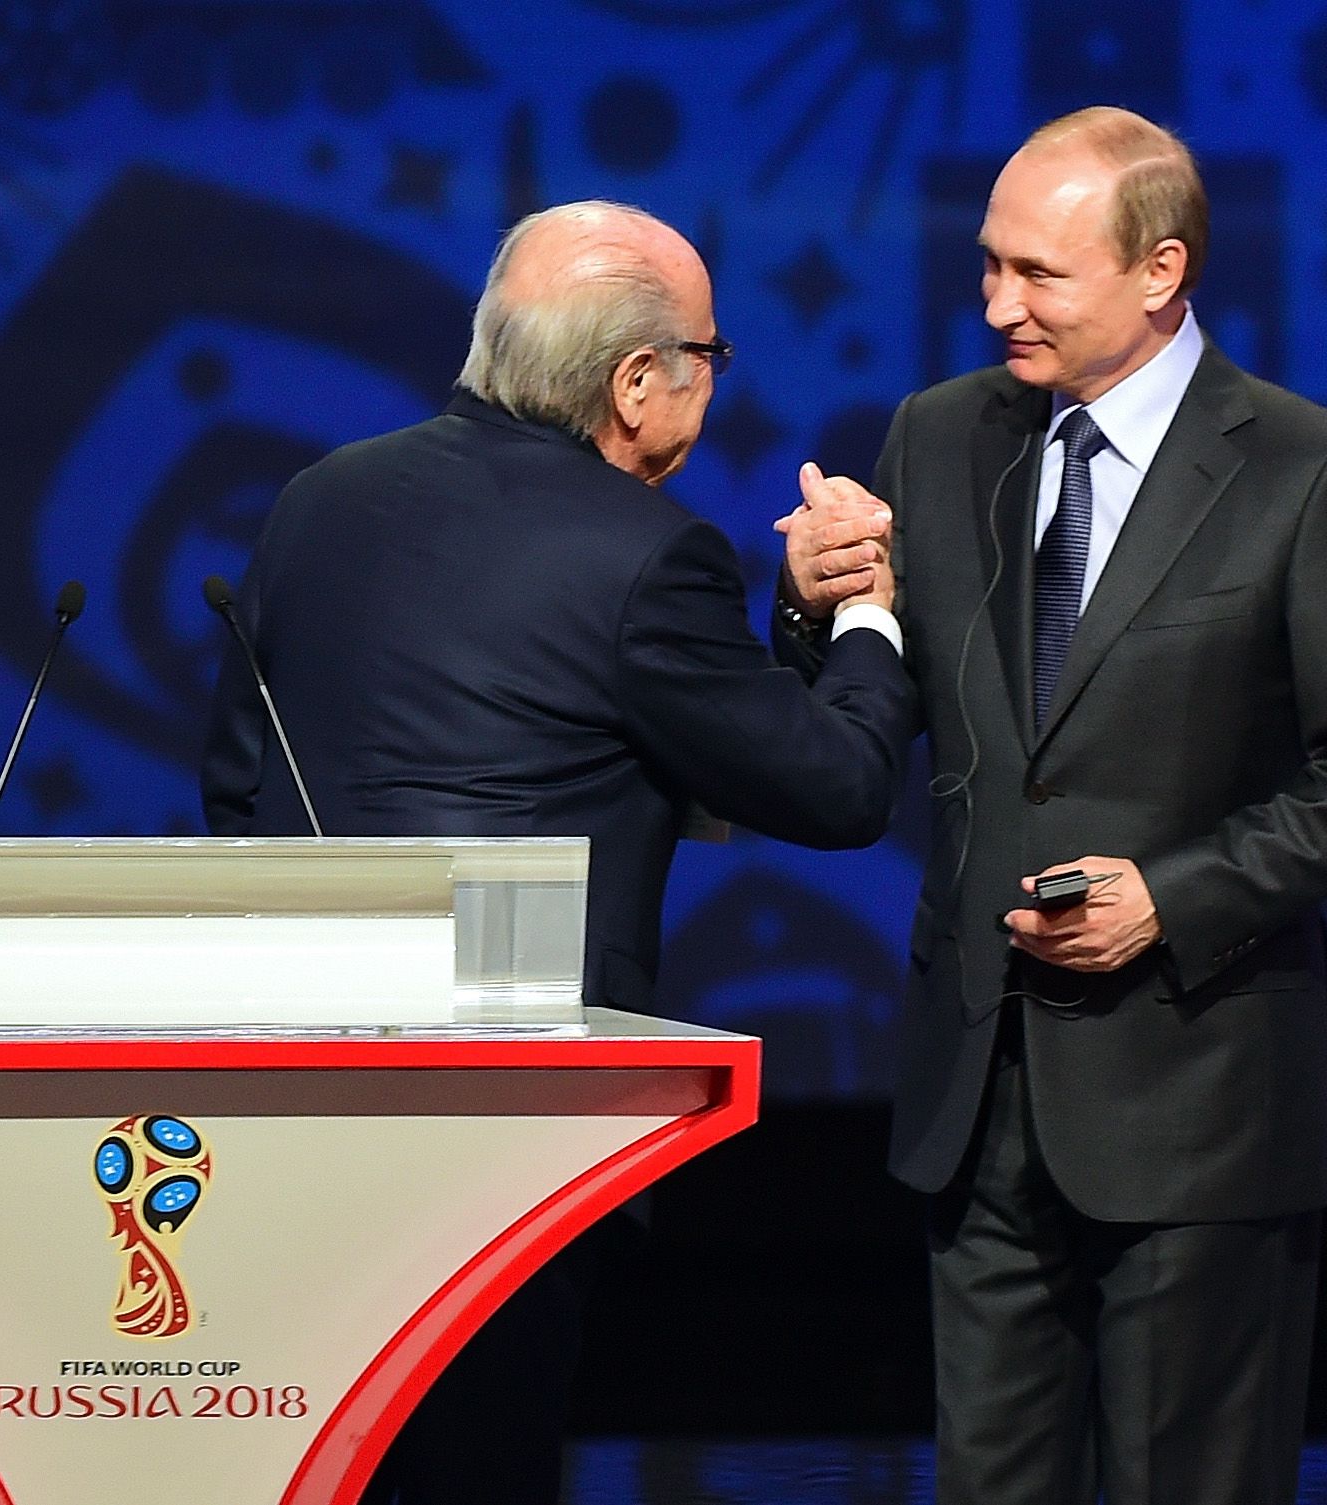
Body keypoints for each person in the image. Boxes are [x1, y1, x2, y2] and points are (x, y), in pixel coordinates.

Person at [201, 200, 915, 1505]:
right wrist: (862, 615)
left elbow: (236, 787)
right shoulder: (649, 555)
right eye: (707, 354)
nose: (710, 379)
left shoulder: (319, 499)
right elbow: (835, 785)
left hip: (297, 1109)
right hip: (508, 1140)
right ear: (636, 382)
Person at [775, 108, 1327, 1504]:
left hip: (1200, 1094)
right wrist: (811, 606)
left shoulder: (1309, 472)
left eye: (1036, 274)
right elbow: (867, 712)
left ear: (1161, 271)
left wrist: (1174, 896)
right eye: (985, 266)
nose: (994, 303)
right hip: (979, 1090)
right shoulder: (939, 433)